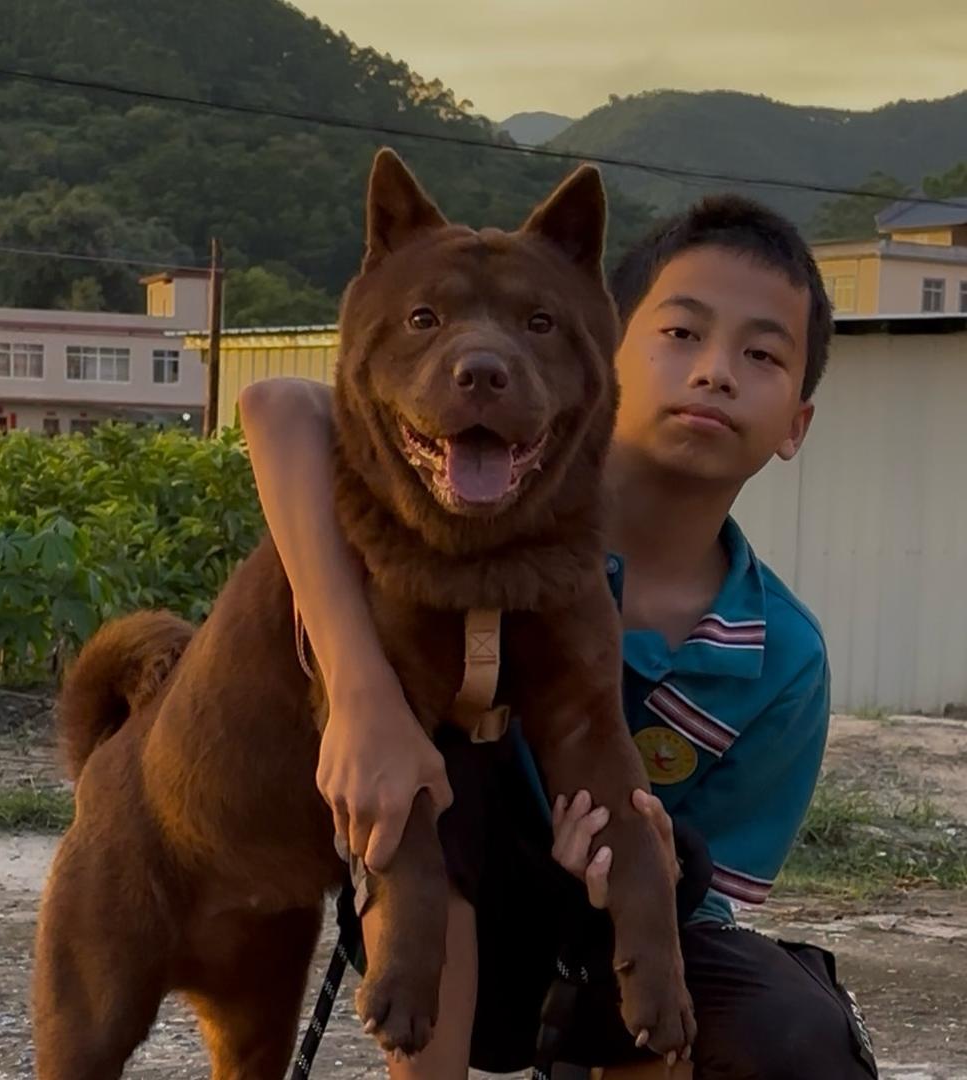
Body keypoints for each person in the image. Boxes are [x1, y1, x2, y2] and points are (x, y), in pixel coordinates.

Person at [239, 194, 878, 1078]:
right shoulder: (483, 516)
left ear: (796, 425)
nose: (716, 372)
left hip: (600, 940)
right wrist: (359, 689)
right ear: (599, 352)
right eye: (682, 334)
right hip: (442, 901)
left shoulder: (783, 659)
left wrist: (642, 875)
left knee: (790, 1027)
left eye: (762, 354)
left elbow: (713, 905)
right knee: (447, 773)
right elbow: (278, 407)